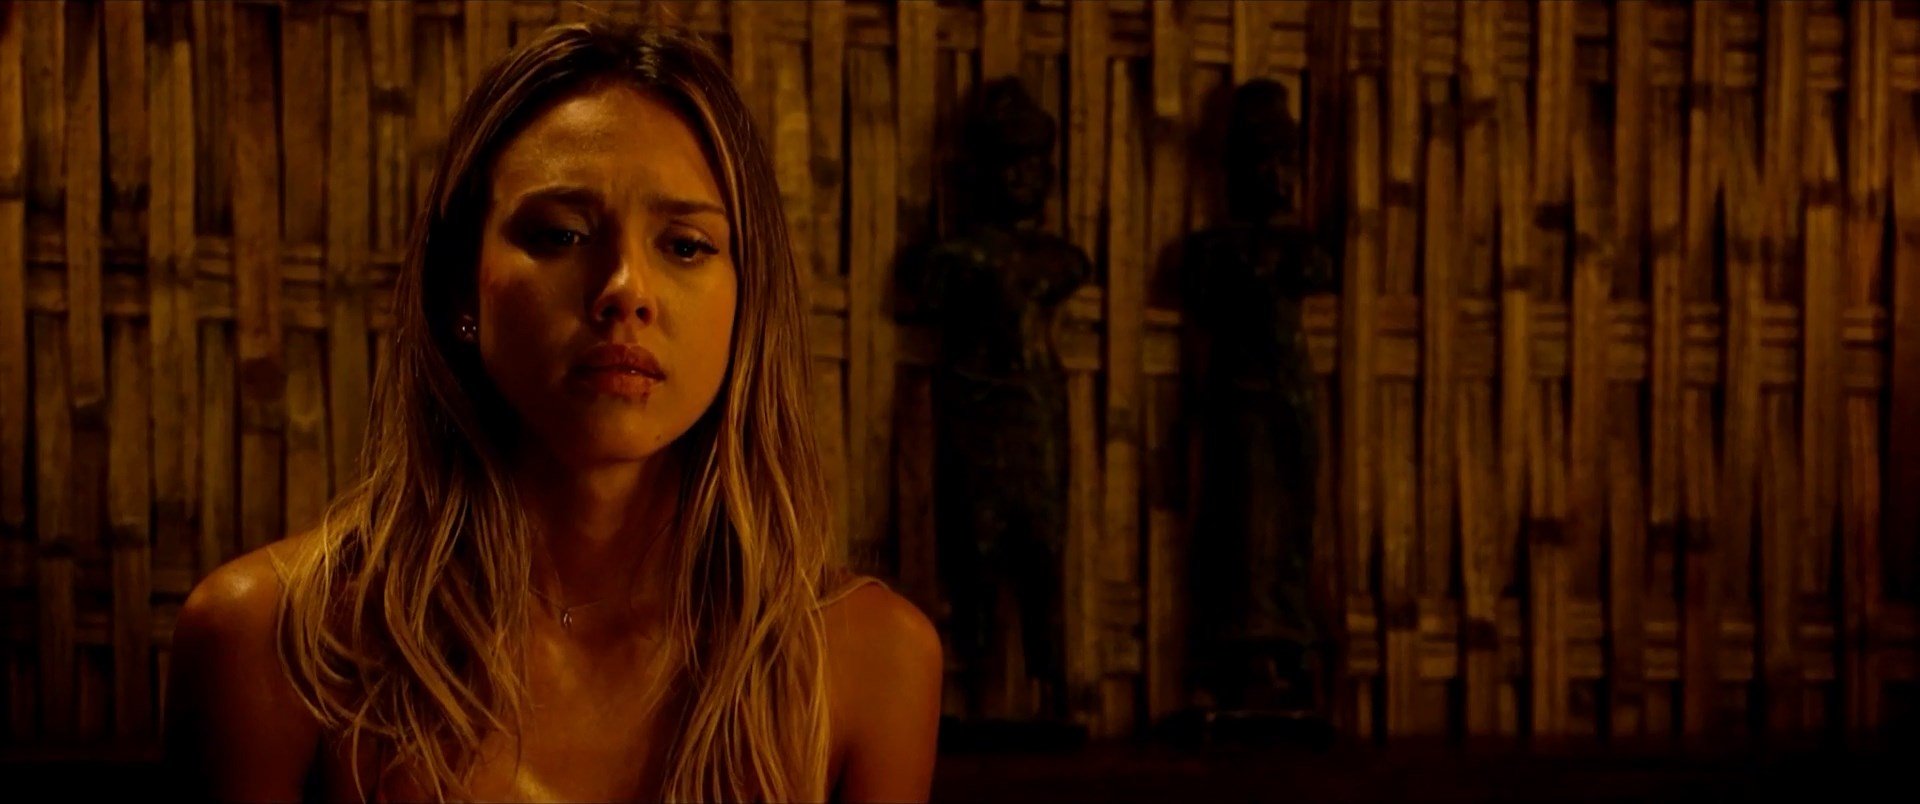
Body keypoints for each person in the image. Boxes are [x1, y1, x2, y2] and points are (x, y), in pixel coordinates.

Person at [162, 20, 942, 802]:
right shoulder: (271, 642)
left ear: (749, 300)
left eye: (685, 246)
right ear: (461, 286)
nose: (625, 290)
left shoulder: (870, 663)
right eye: (561, 234)